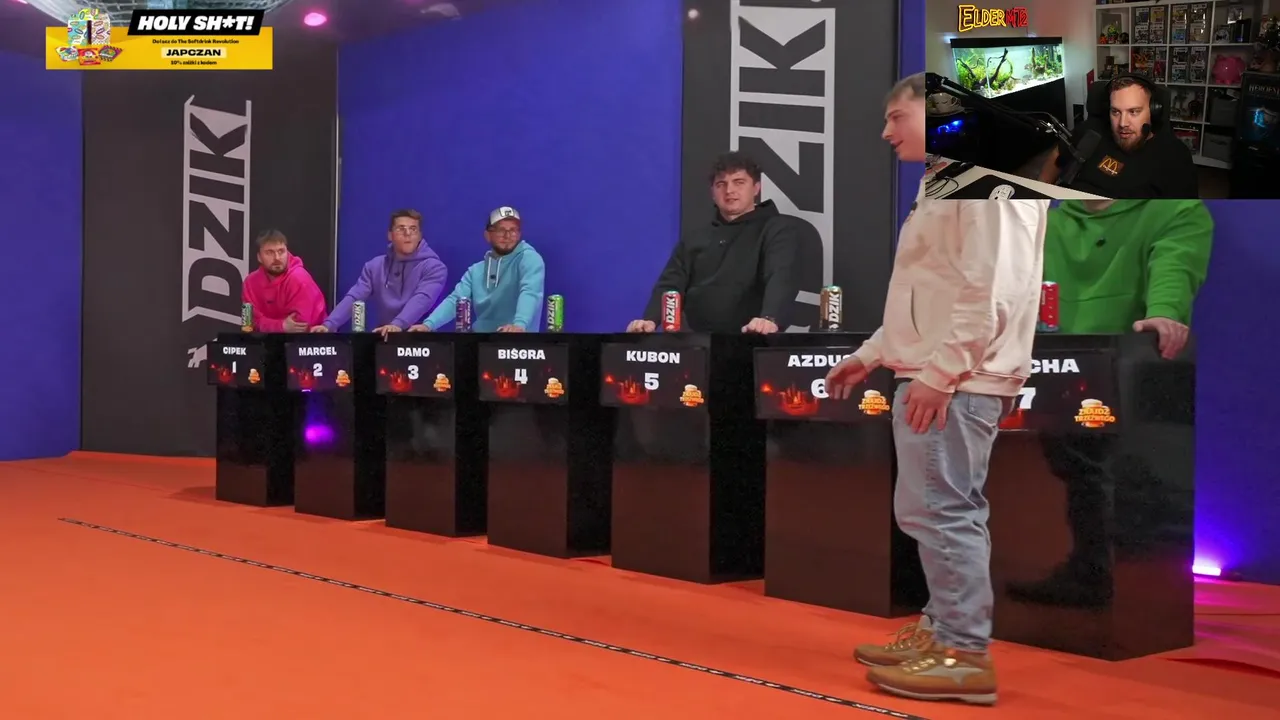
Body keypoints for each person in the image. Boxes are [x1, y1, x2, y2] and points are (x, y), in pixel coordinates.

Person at [823, 72, 1049, 705]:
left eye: (897, 117)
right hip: (943, 372)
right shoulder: (951, 178)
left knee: (943, 511)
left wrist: (940, 374)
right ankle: (940, 631)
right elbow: (933, 289)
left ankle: (962, 653)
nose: (886, 132)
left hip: (956, 380)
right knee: (935, 509)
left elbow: (989, 291)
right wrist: (872, 355)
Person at [1006, 198, 1212, 607]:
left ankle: (1126, 582)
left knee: (1124, 477)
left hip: (1129, 369)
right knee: (1072, 471)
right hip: (1057, 367)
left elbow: (1175, 264)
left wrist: (1165, 312)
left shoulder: (1178, 211)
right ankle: (1087, 572)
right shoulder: (1048, 220)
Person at [625, 151, 808, 334]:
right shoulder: (695, 238)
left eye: (739, 182)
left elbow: (781, 277)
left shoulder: (778, 229)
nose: (729, 191)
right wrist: (650, 320)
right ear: (712, 192)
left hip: (752, 338)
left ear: (756, 188)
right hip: (698, 342)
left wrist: (769, 318)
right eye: (721, 184)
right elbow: (670, 285)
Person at [1038, 76, 1199, 198]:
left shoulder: (1174, 156)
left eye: (1133, 112)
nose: (1122, 123)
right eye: (1115, 112)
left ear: (1153, 111)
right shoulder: (1092, 129)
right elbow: (1058, 153)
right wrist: (1039, 195)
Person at [313, 209, 448, 337]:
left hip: (421, 338)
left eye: (413, 229)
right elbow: (355, 297)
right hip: (385, 335)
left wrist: (397, 325)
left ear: (420, 235)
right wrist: (329, 325)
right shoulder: (375, 266)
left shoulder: (435, 267)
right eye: (401, 228)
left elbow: (422, 299)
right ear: (390, 235)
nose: (407, 234)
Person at [411, 206, 545, 333]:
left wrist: (519, 325)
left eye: (513, 230)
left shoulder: (529, 258)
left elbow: (530, 292)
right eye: (501, 230)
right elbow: (455, 300)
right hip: (481, 340)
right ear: (488, 235)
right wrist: (428, 325)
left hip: (518, 340)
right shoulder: (475, 271)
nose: (507, 235)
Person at [241, 229, 328, 332]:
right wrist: (281, 326)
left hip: (308, 339)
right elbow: (247, 324)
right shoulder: (249, 283)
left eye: (281, 251)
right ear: (259, 257)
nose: (277, 258)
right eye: (270, 252)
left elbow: (299, 326)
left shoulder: (299, 279)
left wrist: (264, 323)